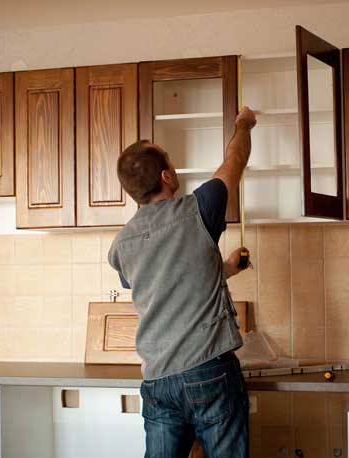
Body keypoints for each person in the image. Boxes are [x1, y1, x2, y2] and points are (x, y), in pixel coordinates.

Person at [108, 107, 257, 458]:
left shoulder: (121, 246)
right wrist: (244, 124)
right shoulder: (200, 209)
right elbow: (235, 158)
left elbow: (164, 281)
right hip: (210, 372)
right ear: (167, 176)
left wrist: (225, 270)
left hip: (158, 382)